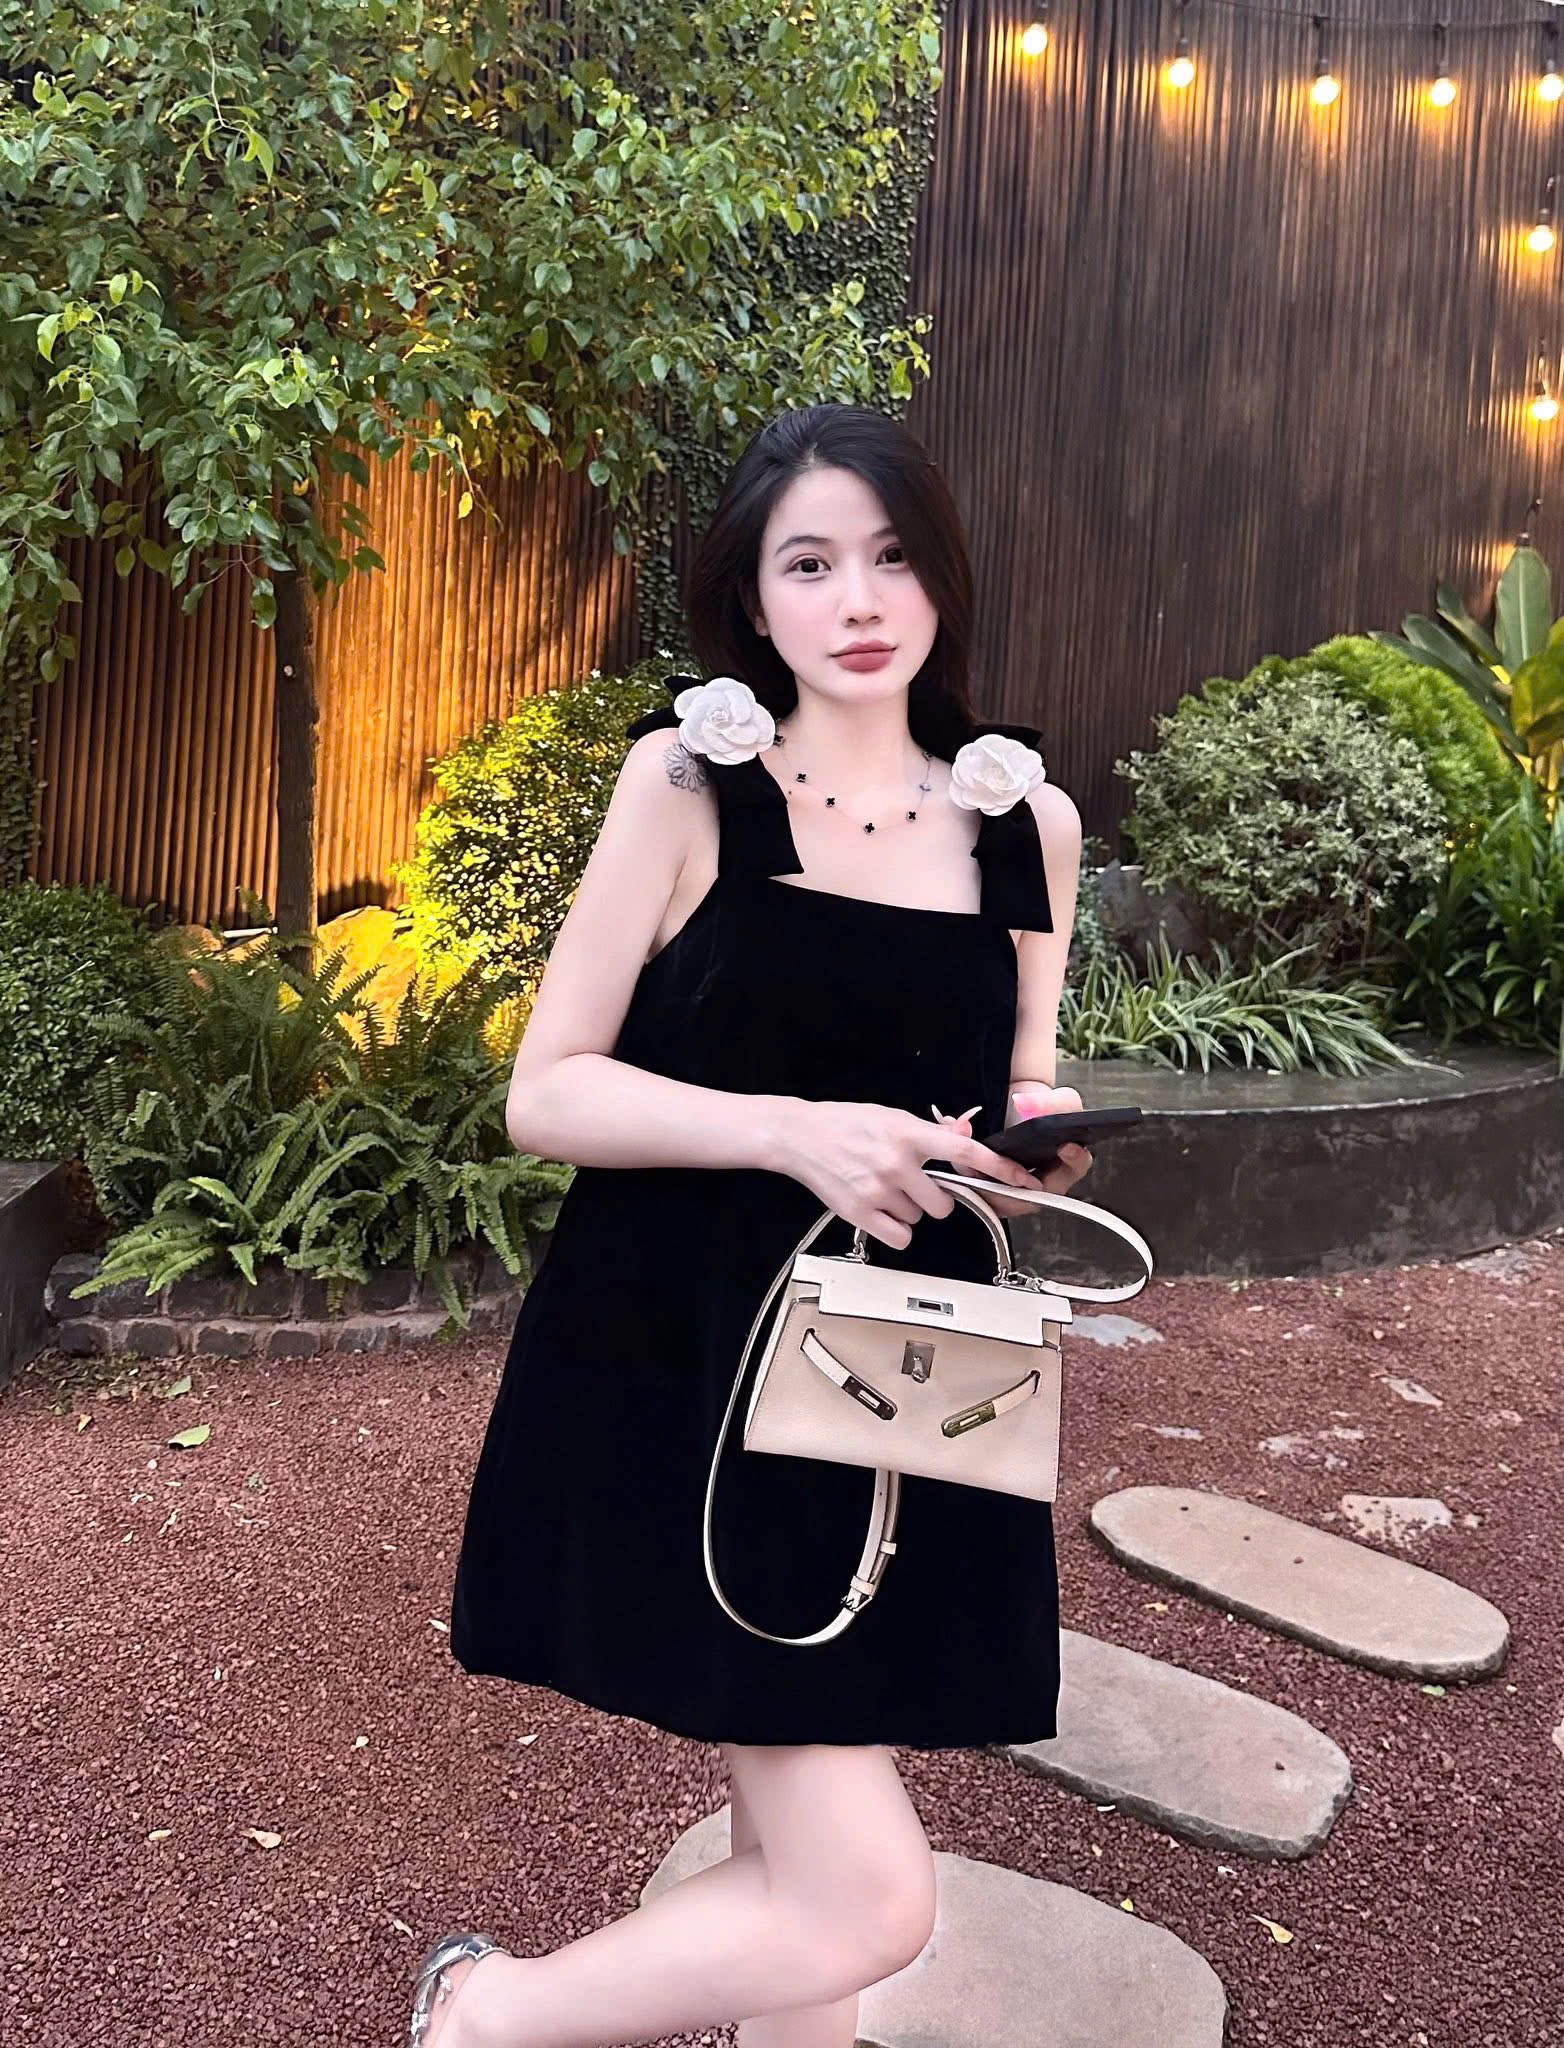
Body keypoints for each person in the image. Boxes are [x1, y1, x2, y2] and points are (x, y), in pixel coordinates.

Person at [414, 402, 1095, 2048]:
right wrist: (796, 1132)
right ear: (752, 597)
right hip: (686, 1354)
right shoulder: (688, 785)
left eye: (893, 556)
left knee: (796, 1842)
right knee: (864, 1899)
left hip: (899, 1376)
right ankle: (483, 2014)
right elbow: (547, 1093)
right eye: (810, 564)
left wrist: (1029, 1147)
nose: (859, 599)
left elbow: (1020, 1081)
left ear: (943, 578)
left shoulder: (1029, 824)